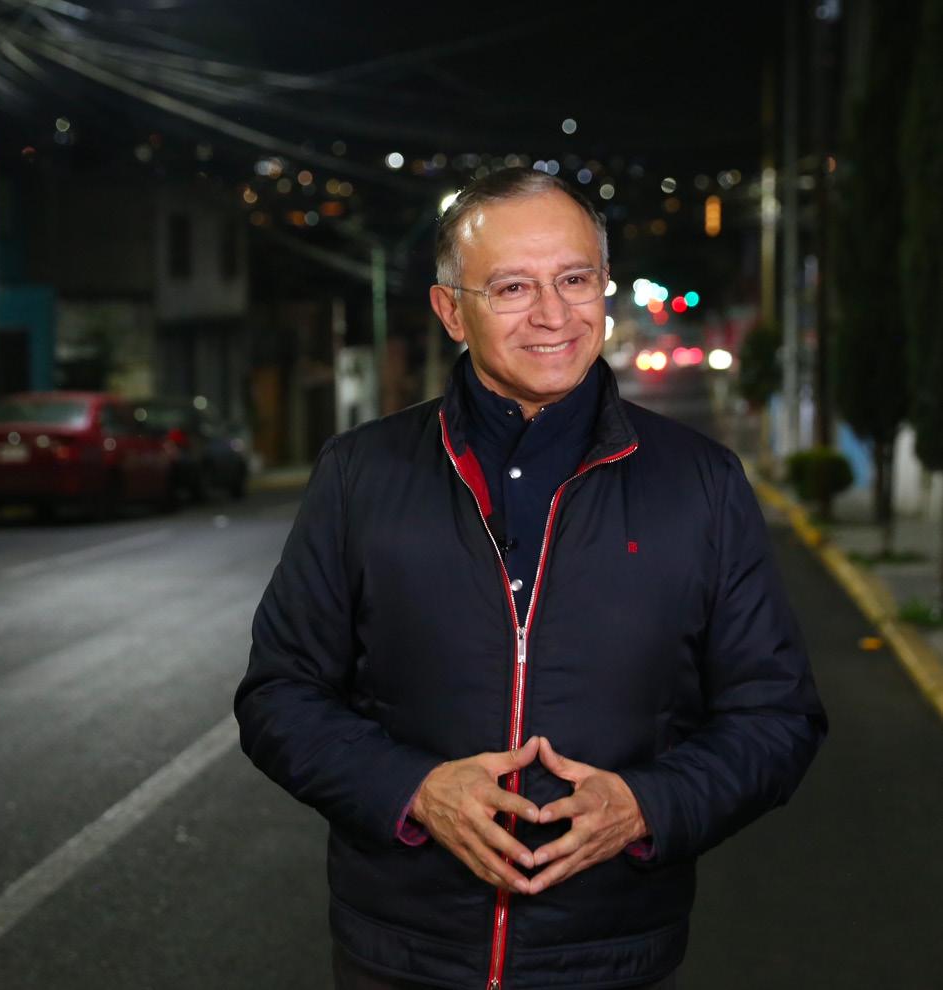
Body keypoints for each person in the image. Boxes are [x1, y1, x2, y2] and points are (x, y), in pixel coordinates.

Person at [234, 167, 827, 990]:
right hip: (402, 957)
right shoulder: (359, 475)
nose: (554, 315)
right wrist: (415, 790)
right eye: (513, 287)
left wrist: (648, 805)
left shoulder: (702, 482)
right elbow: (279, 695)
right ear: (451, 311)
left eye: (575, 280)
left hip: (613, 959)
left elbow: (779, 715)